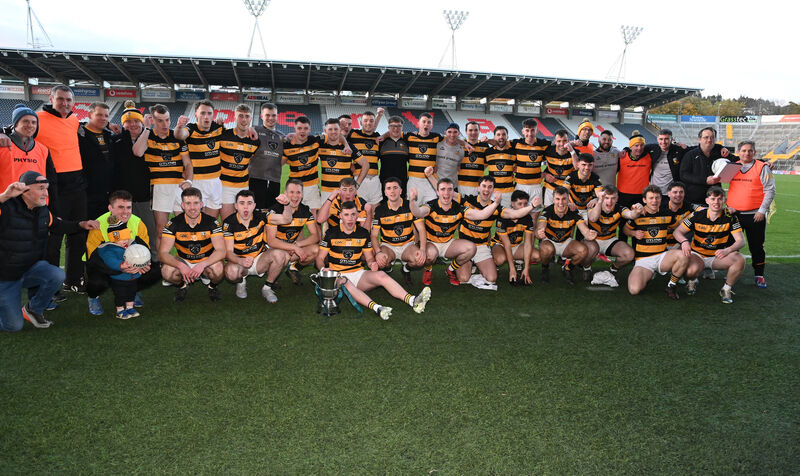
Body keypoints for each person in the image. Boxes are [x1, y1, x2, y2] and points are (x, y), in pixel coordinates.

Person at [0, 172, 98, 331]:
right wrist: (4, 196)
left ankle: (33, 310)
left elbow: (59, 225)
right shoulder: (7, 207)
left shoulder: (42, 210)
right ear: (25, 191)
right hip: (5, 277)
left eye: (46, 188)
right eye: (40, 188)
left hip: (28, 269)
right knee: (13, 326)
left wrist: (82, 224)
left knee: (56, 274)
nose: (46, 193)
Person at [316, 200, 431, 320]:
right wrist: (323, 269)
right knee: (345, 282)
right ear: (340, 216)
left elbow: (369, 257)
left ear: (357, 215)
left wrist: (372, 264)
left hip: (357, 274)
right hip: (338, 276)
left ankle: (413, 301)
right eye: (346, 215)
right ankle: (378, 308)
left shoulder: (363, 233)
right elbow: (320, 258)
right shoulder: (331, 233)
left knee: (381, 275)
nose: (350, 218)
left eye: (353, 214)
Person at [408, 178, 500, 286]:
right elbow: (418, 212)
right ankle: (428, 269)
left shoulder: (459, 208)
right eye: (443, 189)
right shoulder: (431, 205)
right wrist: (412, 201)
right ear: (437, 192)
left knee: (471, 248)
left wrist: (496, 203)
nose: (446, 193)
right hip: (432, 243)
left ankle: (450, 269)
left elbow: (481, 215)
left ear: (453, 192)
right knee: (429, 255)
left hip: (448, 243)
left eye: (449, 189)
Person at [85, 190, 159, 319]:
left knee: (156, 272)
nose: (125, 212)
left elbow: (145, 248)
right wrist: (119, 269)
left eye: (128, 207)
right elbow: (93, 258)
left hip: (129, 265)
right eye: (120, 207)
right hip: (104, 266)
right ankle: (93, 297)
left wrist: (143, 264)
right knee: (96, 282)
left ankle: (132, 291)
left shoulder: (137, 222)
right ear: (110, 208)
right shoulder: (99, 224)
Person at [132, 104, 193, 256]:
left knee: (184, 229)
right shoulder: (148, 135)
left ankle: (185, 260)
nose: (165, 124)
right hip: (159, 188)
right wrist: (145, 129)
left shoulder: (177, 137)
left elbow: (188, 164)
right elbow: (138, 152)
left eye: (167, 120)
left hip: (179, 187)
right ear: (152, 120)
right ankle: (163, 264)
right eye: (160, 121)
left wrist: (189, 181)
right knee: (161, 230)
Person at [456, 176, 535, 290]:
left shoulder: (496, 207)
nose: (486, 190)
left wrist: (532, 206)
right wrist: (430, 176)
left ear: (493, 190)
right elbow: (447, 194)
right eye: (484, 186)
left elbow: (514, 214)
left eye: (490, 187)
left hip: (482, 246)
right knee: (463, 278)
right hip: (465, 246)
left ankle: (476, 264)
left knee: (492, 278)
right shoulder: (467, 200)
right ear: (478, 188)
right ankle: (460, 263)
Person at [674, 186, 745, 303]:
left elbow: (741, 241)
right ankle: (692, 280)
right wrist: (684, 241)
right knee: (691, 271)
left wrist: (727, 250)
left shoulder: (730, 216)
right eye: (713, 199)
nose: (716, 202)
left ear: (724, 200)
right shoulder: (697, 215)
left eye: (719, 199)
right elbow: (678, 231)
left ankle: (726, 288)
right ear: (707, 201)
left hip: (717, 256)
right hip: (697, 255)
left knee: (739, 259)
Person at [159, 187, 225, 302]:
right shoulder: (173, 224)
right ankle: (182, 286)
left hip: (206, 260)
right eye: (188, 203)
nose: (192, 208)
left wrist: (203, 264)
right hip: (184, 261)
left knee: (218, 269)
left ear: (202, 204)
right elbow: (162, 253)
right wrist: (181, 266)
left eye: (196, 203)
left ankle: (212, 286)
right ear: (182, 205)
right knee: (166, 271)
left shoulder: (211, 222)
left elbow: (221, 250)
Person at [623, 185, 689, 299]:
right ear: (644, 200)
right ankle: (648, 274)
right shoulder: (638, 214)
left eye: (657, 198)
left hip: (662, 257)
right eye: (651, 198)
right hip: (643, 260)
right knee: (634, 290)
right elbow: (625, 229)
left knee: (684, 254)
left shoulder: (667, 213)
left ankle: (671, 285)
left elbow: (677, 227)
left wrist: (684, 241)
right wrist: (634, 233)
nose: (654, 201)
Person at [725, 140, 775, 288]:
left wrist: (762, 210)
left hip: (755, 215)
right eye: (744, 150)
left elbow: (770, 190)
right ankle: (730, 273)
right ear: (738, 152)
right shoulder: (731, 167)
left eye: (750, 151)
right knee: (732, 245)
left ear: (754, 152)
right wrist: (728, 205)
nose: (747, 153)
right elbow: (719, 183)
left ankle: (759, 274)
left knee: (757, 246)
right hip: (734, 215)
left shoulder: (762, 167)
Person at [223, 190, 288, 302]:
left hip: (259, 258)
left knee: (281, 255)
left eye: (249, 203)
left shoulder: (260, 215)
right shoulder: (229, 223)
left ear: (254, 206)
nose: (246, 207)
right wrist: (240, 261)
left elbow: (286, 219)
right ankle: (241, 281)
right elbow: (228, 252)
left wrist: (287, 205)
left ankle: (267, 288)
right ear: (236, 206)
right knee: (231, 273)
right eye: (242, 203)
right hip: (240, 261)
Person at [111, 101, 155, 255]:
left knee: (150, 231)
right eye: (128, 122)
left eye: (136, 120)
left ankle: (153, 262)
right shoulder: (115, 141)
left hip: (145, 197)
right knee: (123, 234)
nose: (133, 124)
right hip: (123, 198)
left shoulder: (151, 138)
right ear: (123, 124)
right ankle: (126, 261)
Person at [0, 104, 59, 206]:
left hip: (36, 207)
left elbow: (51, 182)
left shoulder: (43, 149)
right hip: (7, 206)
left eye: (33, 122)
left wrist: (54, 211)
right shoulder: (3, 146)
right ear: (16, 124)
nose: (30, 125)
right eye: (25, 121)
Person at [174, 100, 225, 217]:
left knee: (211, 222)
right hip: (197, 181)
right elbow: (179, 135)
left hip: (216, 181)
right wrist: (179, 126)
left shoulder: (218, 128)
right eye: (202, 113)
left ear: (213, 115)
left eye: (209, 113)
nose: (206, 117)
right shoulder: (191, 129)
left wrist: (223, 124)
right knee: (195, 220)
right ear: (196, 114)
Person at [371, 177, 426, 285]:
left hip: (407, 245)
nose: (392, 191)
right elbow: (373, 236)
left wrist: (423, 249)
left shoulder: (410, 206)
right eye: (389, 188)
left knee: (419, 260)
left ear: (401, 191)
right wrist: (378, 252)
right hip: (388, 246)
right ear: (385, 192)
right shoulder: (380, 210)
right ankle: (388, 269)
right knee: (381, 261)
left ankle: (406, 269)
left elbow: (421, 229)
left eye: (395, 188)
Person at [536, 186, 597, 284]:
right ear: (553, 199)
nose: (560, 203)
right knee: (546, 249)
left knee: (583, 250)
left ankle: (567, 268)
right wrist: (540, 231)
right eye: (557, 199)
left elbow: (583, 228)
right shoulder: (548, 210)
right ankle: (545, 268)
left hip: (565, 243)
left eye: (564, 199)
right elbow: (540, 226)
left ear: (568, 199)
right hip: (550, 241)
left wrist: (589, 234)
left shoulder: (573, 211)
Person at [266, 179, 320, 286]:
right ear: (285, 193)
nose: (295, 196)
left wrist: (297, 244)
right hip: (270, 250)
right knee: (282, 256)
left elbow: (315, 236)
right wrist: (292, 247)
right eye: (291, 192)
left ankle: (293, 268)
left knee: (316, 249)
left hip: (291, 249)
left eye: (298, 192)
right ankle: (270, 276)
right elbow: (271, 241)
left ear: (302, 194)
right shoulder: (275, 210)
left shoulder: (305, 211)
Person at [585, 185, 641, 285]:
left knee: (629, 254)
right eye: (606, 198)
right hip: (592, 240)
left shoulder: (619, 208)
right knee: (588, 250)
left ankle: (613, 269)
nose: (609, 202)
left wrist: (637, 211)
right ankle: (587, 268)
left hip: (609, 240)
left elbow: (630, 215)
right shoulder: (593, 205)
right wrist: (599, 201)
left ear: (617, 198)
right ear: (601, 197)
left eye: (613, 198)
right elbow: (593, 218)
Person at [219, 104, 261, 220]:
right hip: (224, 186)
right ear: (234, 117)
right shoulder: (223, 135)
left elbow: (250, 160)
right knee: (227, 222)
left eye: (247, 116)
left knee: (242, 222)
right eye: (240, 116)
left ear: (251, 118)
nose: (244, 119)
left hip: (243, 186)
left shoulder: (255, 141)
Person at [491, 190, 540, 285]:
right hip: (500, 245)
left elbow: (527, 244)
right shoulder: (503, 217)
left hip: (516, 246)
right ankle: (493, 261)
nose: (523, 207)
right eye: (519, 204)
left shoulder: (527, 218)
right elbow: (507, 244)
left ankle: (518, 262)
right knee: (500, 259)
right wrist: (512, 269)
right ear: (512, 204)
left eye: (525, 204)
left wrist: (527, 268)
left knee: (537, 256)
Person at [79, 102, 115, 219]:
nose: (103, 118)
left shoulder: (109, 135)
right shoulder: (79, 136)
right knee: (85, 231)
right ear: (90, 115)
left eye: (106, 116)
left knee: (104, 231)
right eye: (99, 115)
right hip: (87, 193)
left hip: (107, 194)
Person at [318, 118, 365, 202]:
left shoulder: (349, 147)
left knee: (347, 214)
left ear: (340, 130)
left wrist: (357, 184)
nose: (333, 132)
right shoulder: (321, 144)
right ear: (325, 130)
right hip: (326, 191)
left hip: (345, 192)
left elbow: (366, 165)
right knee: (325, 215)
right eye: (330, 129)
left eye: (336, 129)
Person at [510, 118, 549, 219]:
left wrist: (545, 173)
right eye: (527, 130)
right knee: (516, 217)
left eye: (533, 130)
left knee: (534, 218)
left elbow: (555, 155)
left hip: (536, 186)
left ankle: (531, 235)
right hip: (520, 186)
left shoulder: (544, 145)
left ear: (537, 131)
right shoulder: (516, 144)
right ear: (523, 131)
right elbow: (500, 144)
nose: (530, 133)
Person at [679, 127, 727, 205]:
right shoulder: (690, 155)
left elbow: (736, 161)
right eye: (706, 137)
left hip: (715, 200)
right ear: (699, 139)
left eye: (712, 137)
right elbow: (684, 175)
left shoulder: (721, 153)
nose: (709, 140)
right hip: (694, 200)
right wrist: (704, 180)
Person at [250, 103, 284, 210]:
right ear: (261, 116)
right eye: (267, 115)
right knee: (255, 212)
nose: (271, 118)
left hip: (275, 181)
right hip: (256, 179)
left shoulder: (281, 136)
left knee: (271, 213)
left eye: (273, 115)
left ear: (277, 116)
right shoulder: (254, 131)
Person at [348, 109, 385, 205]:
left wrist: (379, 116)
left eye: (371, 121)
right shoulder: (353, 134)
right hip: (359, 178)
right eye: (365, 120)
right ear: (361, 122)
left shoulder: (378, 137)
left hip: (375, 178)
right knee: (360, 208)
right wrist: (349, 164)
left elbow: (371, 129)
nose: (368, 123)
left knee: (376, 208)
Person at [616, 131, 653, 210]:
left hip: (642, 195)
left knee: (639, 219)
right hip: (623, 195)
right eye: (636, 145)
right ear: (630, 147)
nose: (639, 148)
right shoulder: (622, 157)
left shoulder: (649, 157)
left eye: (642, 145)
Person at [542, 129, 577, 206]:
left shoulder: (574, 152)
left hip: (567, 188)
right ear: (554, 141)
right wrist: (544, 175)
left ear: (568, 141)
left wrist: (572, 152)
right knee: (548, 211)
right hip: (550, 187)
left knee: (565, 213)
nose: (562, 144)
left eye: (564, 141)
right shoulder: (548, 151)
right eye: (559, 141)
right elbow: (535, 163)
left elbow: (578, 168)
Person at [484, 126, 516, 208]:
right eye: (498, 135)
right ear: (494, 137)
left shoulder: (513, 151)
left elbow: (518, 167)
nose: (501, 137)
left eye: (503, 134)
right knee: (490, 217)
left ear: (507, 137)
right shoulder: (488, 152)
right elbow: (481, 169)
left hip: (508, 192)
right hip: (492, 192)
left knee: (506, 217)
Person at [378, 115, 410, 194]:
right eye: (393, 126)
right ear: (388, 127)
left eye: (399, 126)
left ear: (402, 127)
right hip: (384, 182)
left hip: (402, 182)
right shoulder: (381, 142)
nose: (396, 129)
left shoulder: (407, 142)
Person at [458, 120, 489, 197]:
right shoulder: (460, 145)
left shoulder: (485, 146)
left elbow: (485, 164)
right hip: (461, 185)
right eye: (470, 130)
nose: (473, 132)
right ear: (466, 131)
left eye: (476, 130)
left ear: (479, 131)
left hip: (478, 185)